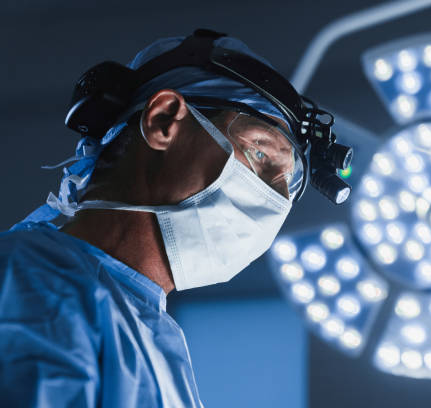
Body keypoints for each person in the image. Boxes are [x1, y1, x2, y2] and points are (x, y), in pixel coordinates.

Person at [0, 30, 350, 407]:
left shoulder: (155, 336)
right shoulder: (33, 279)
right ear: (163, 120)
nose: (275, 200)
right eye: (261, 155)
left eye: (289, 186)